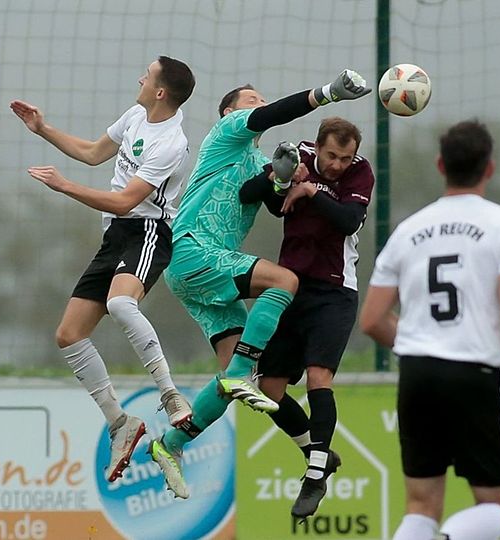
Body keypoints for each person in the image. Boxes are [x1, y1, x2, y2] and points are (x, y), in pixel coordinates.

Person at [146, 71, 373, 499]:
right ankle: (248, 385)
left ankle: (169, 445)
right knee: (284, 279)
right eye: (250, 100)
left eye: (259, 100)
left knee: (236, 374)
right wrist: (328, 94)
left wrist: (281, 178)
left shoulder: (253, 159)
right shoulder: (225, 132)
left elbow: (260, 194)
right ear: (230, 112)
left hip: (207, 273)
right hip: (194, 249)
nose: (258, 104)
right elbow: (276, 113)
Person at [9, 56, 196, 484]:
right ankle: (120, 423)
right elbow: (94, 153)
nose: (140, 79)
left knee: (121, 304)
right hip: (115, 237)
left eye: (146, 76)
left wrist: (64, 185)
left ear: (161, 91)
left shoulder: (172, 142)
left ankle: (170, 395)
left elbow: (125, 201)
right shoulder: (135, 115)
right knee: (69, 334)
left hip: (147, 231)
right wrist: (44, 128)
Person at [359, 119, 500, 540]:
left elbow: (371, 320)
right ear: (489, 168)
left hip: (417, 373)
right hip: (475, 371)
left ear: (441, 165)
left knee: (421, 506)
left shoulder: (408, 231)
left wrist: (419, 345)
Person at [238, 117, 374, 519]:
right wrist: (281, 176)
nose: (337, 165)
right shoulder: (298, 156)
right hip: (290, 287)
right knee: (271, 390)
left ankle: (314, 478)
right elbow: (252, 193)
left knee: (319, 377)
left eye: (344, 158)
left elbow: (349, 220)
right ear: (318, 147)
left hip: (334, 292)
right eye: (331, 156)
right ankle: (317, 453)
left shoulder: (361, 172)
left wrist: (311, 191)